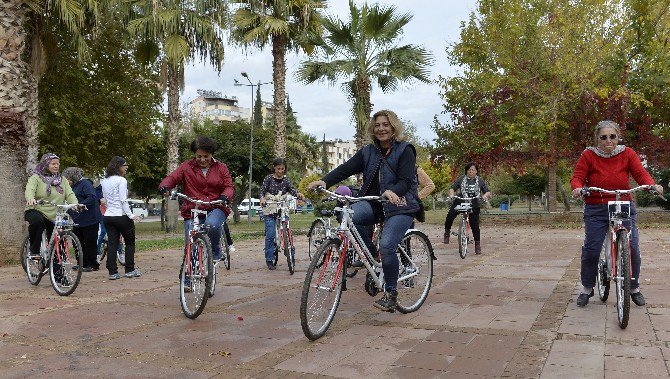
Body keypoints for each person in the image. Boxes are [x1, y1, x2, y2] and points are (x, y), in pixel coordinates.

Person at [308, 109, 421, 312]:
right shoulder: (369, 151)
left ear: (393, 127)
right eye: (377, 125)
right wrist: (324, 181)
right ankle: (372, 255)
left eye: (385, 124)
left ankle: (391, 293)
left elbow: (406, 181)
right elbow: (346, 168)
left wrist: (391, 191)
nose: (381, 129)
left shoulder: (405, 150)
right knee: (346, 213)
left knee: (387, 245)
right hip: (374, 203)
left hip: (401, 206)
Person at [570, 120, 664, 307]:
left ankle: (634, 287)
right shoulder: (588, 155)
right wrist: (578, 188)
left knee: (633, 247)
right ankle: (587, 288)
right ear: (597, 139)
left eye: (612, 136)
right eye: (603, 137)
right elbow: (578, 177)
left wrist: (652, 185)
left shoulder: (627, 153)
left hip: (623, 204)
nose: (608, 141)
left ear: (618, 137)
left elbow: (640, 174)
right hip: (596, 207)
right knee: (591, 249)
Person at [159, 136, 234, 262]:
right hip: (193, 209)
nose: (202, 159)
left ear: (211, 154)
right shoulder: (186, 167)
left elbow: (229, 186)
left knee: (212, 225)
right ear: (195, 154)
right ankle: (188, 279)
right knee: (191, 242)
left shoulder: (221, 168)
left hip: (215, 206)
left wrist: (225, 196)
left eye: (206, 156)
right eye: (199, 156)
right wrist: (165, 186)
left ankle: (216, 251)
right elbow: (172, 178)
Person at [24, 153, 79, 262]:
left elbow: (69, 194)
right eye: (53, 164)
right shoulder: (36, 178)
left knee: (59, 238)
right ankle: (34, 251)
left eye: (58, 164)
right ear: (45, 164)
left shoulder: (62, 180)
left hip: (55, 213)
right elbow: (29, 190)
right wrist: (30, 198)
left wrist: (75, 204)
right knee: (37, 222)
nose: (56, 166)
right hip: (37, 208)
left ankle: (59, 273)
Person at [101, 156, 142, 280]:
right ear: (119, 166)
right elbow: (123, 200)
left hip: (108, 216)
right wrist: (131, 215)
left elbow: (105, 199)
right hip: (121, 216)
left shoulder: (105, 180)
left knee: (112, 243)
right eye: (125, 165)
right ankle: (130, 269)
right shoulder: (121, 180)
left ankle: (112, 272)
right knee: (130, 242)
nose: (126, 168)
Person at [259, 157, 304, 270]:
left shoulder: (286, 180)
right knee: (270, 234)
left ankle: (290, 254)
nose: (280, 171)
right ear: (274, 168)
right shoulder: (268, 178)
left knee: (288, 232)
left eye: (282, 169)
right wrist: (262, 199)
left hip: (282, 207)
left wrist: (298, 195)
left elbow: (292, 190)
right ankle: (269, 259)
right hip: (270, 207)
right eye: (278, 168)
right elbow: (262, 190)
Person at [442, 162, 491, 254]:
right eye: (469, 170)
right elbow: (452, 188)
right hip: (461, 200)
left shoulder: (480, 180)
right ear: (466, 171)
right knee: (450, 215)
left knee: (474, 224)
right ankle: (447, 233)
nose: (471, 171)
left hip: (474, 202)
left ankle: (477, 245)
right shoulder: (461, 179)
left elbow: (487, 191)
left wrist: (484, 196)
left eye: (473, 170)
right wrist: (452, 195)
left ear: (476, 171)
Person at [62, 167, 102, 272]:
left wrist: (81, 204)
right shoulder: (71, 187)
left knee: (89, 242)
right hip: (77, 219)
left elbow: (92, 198)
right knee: (77, 242)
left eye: (68, 179)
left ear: (74, 177)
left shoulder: (85, 184)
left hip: (90, 219)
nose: (66, 181)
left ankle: (92, 264)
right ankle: (81, 263)